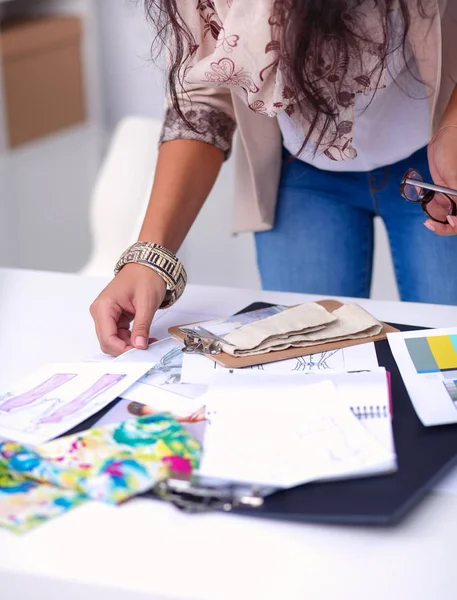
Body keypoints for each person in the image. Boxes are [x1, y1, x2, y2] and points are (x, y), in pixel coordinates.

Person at [91, 0, 457, 356]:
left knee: (449, 349)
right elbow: (202, 96)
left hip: (434, 171)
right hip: (299, 171)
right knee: (302, 357)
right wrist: (151, 257)